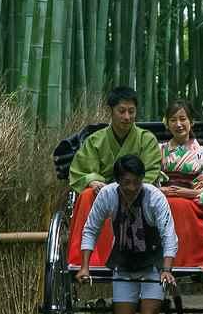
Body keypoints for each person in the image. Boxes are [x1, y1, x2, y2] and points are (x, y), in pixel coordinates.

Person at [76, 155, 178, 314]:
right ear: (118, 181)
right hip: (123, 263)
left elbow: (169, 236)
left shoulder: (154, 198)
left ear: (143, 180)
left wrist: (166, 269)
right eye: (126, 183)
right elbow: (91, 228)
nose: (131, 188)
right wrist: (84, 266)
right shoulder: (108, 195)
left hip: (152, 263)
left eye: (136, 183)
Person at [67, 87, 162, 267]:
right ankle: (88, 260)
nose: (127, 116)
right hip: (104, 195)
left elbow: (150, 172)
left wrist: (130, 188)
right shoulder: (96, 140)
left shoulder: (146, 139)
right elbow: (81, 172)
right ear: (110, 111)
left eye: (131, 111)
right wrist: (92, 180)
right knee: (87, 195)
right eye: (121, 111)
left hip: (136, 193)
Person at [159, 99, 203, 272]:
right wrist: (161, 190)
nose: (178, 124)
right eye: (173, 120)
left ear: (191, 122)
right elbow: (147, 179)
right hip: (160, 196)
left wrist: (186, 193)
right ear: (167, 123)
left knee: (177, 205)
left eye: (183, 119)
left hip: (193, 201)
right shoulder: (157, 150)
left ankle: (185, 260)